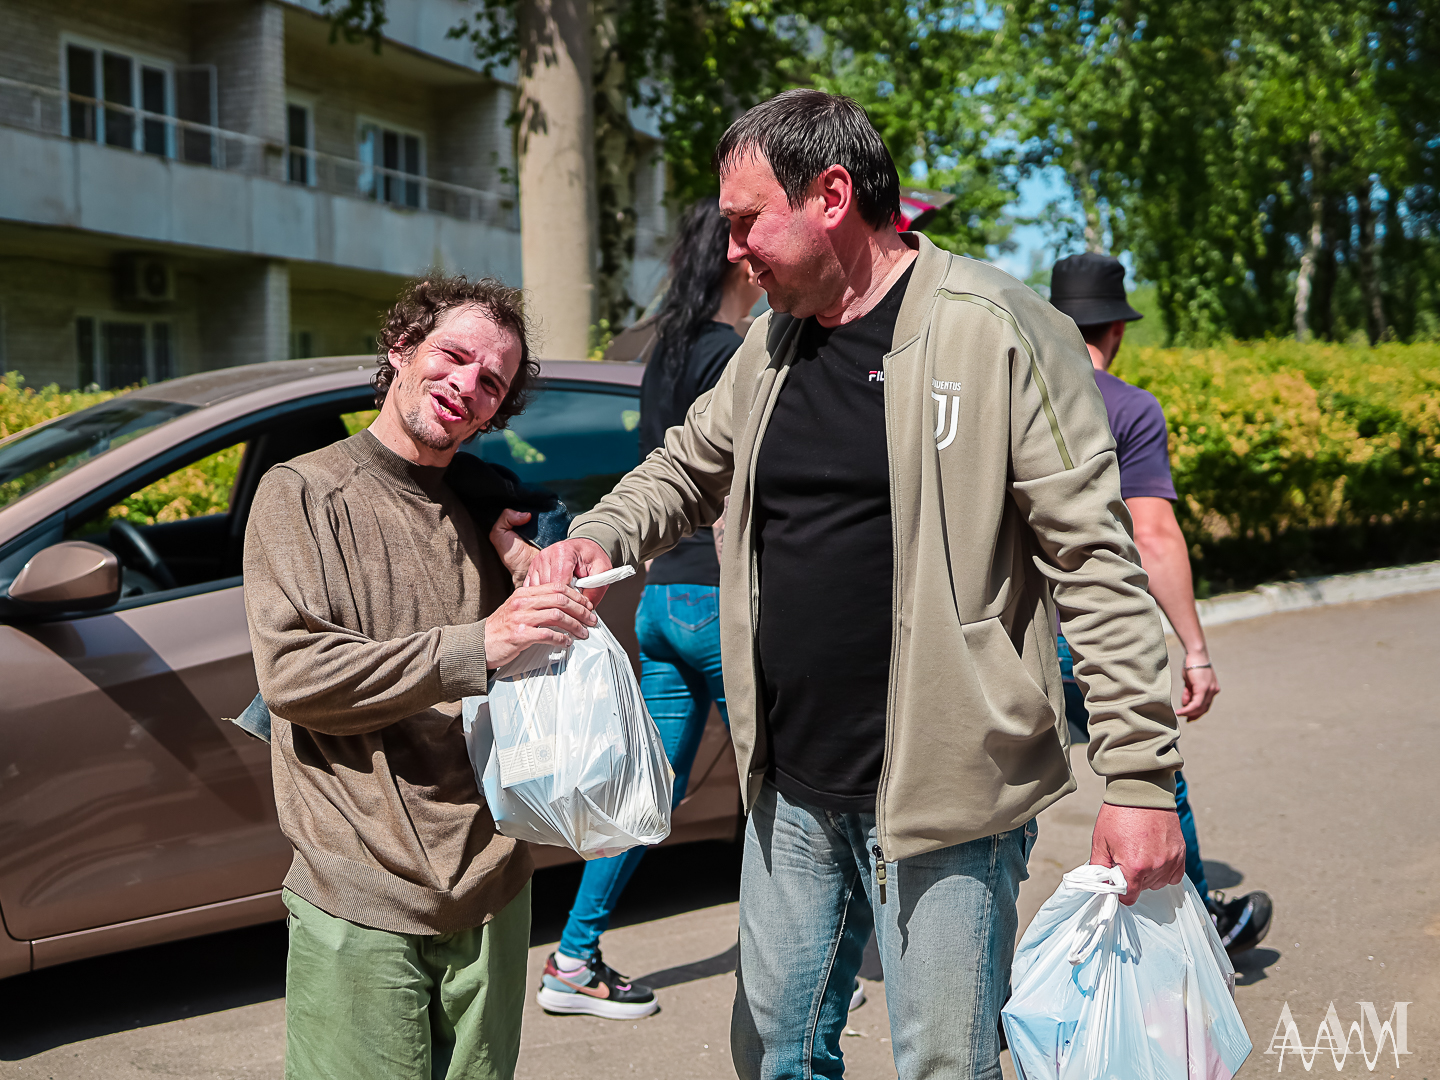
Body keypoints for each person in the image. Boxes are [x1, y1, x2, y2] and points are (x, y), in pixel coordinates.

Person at [529, 89, 1186, 1080]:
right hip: (789, 789)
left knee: (943, 1065)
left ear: (832, 195)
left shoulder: (997, 327)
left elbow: (1095, 560)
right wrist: (600, 534)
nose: (735, 249)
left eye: (748, 221)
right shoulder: (773, 344)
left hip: (946, 798)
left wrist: (1138, 779)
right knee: (776, 1055)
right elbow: (687, 465)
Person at [244, 275, 601, 1080]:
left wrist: (525, 567)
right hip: (361, 893)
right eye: (453, 356)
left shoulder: (493, 512)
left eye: (491, 383)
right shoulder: (302, 494)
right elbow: (297, 676)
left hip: (495, 886)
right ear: (402, 349)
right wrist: (478, 642)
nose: (465, 386)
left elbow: (548, 676)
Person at [536, 199, 765, 1020]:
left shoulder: (664, 350)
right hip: (718, 600)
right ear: (744, 261)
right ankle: (796, 981)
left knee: (648, 794)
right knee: (787, 793)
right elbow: (733, 483)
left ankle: (571, 957)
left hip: (662, 599)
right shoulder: (733, 354)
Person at [1049, 252, 1274, 957]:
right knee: (1149, 776)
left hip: (1008, 631)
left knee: (999, 802)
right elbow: (1152, 533)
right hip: (1094, 632)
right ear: (1116, 330)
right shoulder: (1127, 407)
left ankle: (982, 967)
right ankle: (1199, 926)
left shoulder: (1014, 396)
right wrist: (1195, 651)